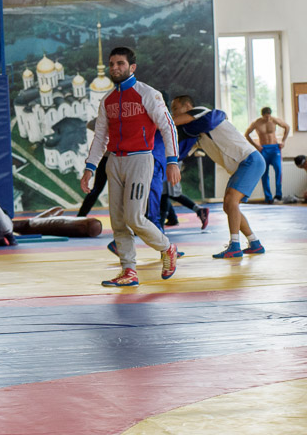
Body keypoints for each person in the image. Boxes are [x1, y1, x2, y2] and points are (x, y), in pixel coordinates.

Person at [80, 47, 179, 287]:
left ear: (132, 67)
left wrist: (172, 161)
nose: (115, 67)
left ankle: (167, 248)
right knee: (117, 220)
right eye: (112, 63)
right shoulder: (108, 100)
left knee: (134, 217)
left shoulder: (148, 94)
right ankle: (129, 271)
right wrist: (90, 168)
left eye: (120, 64)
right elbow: (100, 136)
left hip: (140, 159)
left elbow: (168, 127)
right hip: (114, 161)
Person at [172, 96, 267, 258]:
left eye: (175, 108)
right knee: (228, 206)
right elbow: (180, 153)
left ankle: (235, 246)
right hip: (243, 165)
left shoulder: (202, 112)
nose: (173, 112)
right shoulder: (198, 133)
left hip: (250, 160)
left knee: (231, 202)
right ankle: (254, 243)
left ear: (188, 106)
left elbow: (173, 121)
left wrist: (159, 120)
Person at [244, 107, 290, 203]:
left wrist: (283, 141)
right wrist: (256, 146)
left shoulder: (274, 120)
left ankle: (278, 195)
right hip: (263, 149)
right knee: (264, 173)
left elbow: (287, 127)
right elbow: (247, 134)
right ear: (262, 115)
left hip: (275, 148)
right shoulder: (257, 123)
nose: (268, 119)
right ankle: (268, 197)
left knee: (278, 170)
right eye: (266, 117)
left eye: (269, 117)